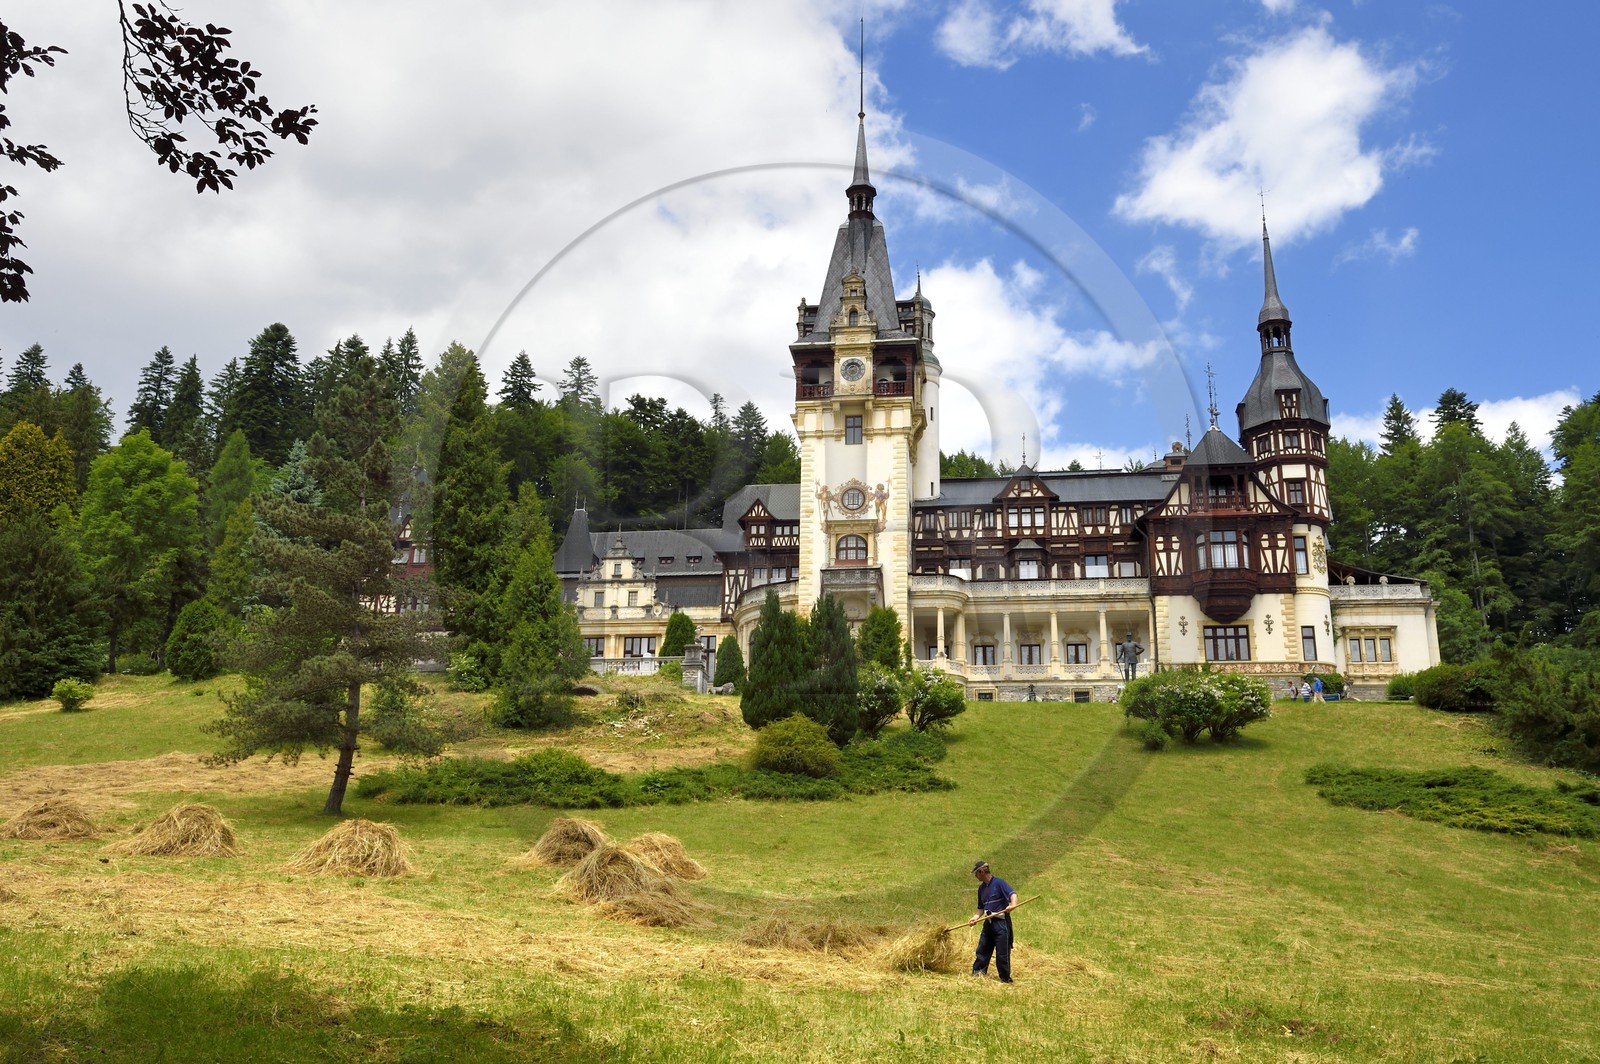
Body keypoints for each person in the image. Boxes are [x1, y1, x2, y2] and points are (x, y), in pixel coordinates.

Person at [968, 860, 1018, 983]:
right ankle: (978, 974)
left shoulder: (999, 883)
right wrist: (975, 917)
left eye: (976, 873)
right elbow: (981, 908)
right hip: (988, 923)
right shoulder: (981, 889)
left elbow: (1013, 894)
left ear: (982, 871)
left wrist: (1013, 905)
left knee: (1002, 953)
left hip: (1001, 923)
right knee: (982, 949)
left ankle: (1005, 978)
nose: (976, 876)